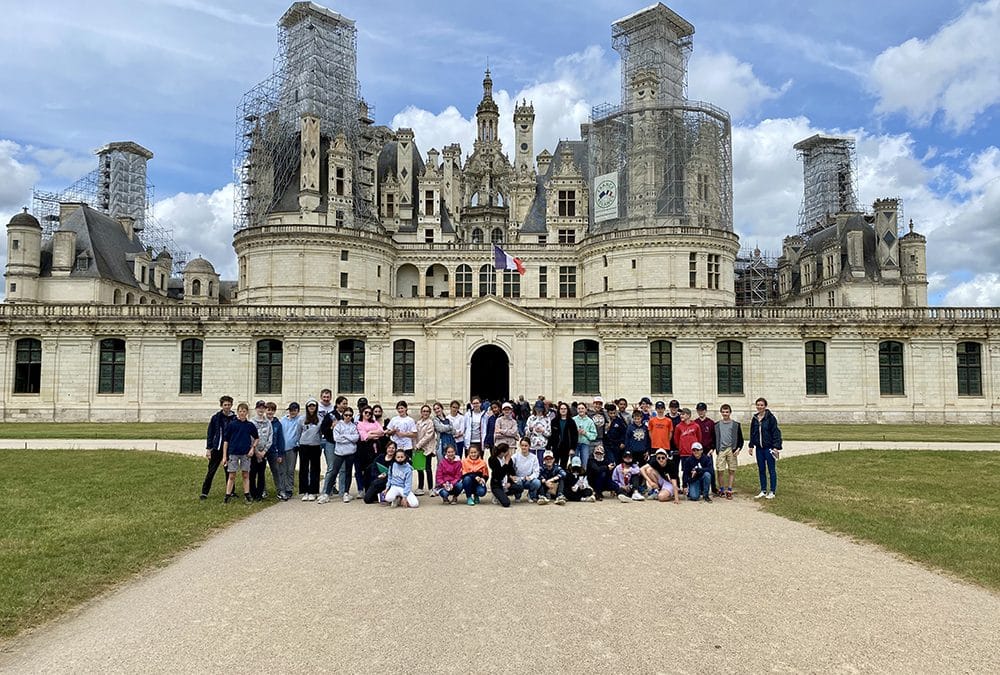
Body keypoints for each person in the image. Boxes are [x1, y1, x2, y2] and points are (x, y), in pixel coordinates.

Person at [319, 407, 359, 504]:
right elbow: (336, 438)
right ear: (343, 415)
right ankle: (327, 493)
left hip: (350, 452)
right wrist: (349, 438)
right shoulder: (338, 425)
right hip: (339, 452)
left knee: (348, 472)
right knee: (334, 472)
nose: (348, 417)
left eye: (350, 415)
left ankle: (346, 492)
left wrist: (344, 436)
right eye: (346, 415)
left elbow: (356, 438)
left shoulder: (353, 426)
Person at [222, 402, 259, 504]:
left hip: (245, 453)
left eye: (244, 411)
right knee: (231, 475)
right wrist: (224, 456)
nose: (242, 413)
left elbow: (256, 438)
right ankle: (228, 495)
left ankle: (247, 494)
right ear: (237, 412)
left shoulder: (250, 425)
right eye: (240, 411)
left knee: (245, 474)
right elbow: (226, 441)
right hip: (233, 452)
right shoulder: (232, 424)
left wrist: (252, 448)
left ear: (247, 412)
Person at [201, 395, 235, 500]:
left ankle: (231, 492)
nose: (227, 407)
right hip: (217, 447)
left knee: (229, 471)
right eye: (225, 405)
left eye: (229, 405)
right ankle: (204, 492)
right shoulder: (216, 418)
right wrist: (209, 448)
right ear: (221, 405)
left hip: (229, 448)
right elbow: (210, 433)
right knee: (211, 471)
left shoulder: (234, 418)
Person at [749, 397, 782, 499]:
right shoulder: (755, 418)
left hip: (769, 447)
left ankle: (772, 491)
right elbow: (752, 433)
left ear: (765, 406)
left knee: (771, 469)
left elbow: (776, 433)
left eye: (761, 405)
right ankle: (763, 490)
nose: (760, 407)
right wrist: (751, 445)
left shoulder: (771, 418)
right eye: (758, 405)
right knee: (761, 469)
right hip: (759, 448)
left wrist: (776, 447)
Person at [714, 404, 744, 500]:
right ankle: (722, 489)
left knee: (731, 470)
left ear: (730, 412)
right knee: (720, 470)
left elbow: (741, 439)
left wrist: (738, 449)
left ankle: (729, 489)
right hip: (721, 450)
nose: (725, 414)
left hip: (732, 449)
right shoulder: (717, 425)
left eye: (727, 412)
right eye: (723, 412)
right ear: (721, 412)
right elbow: (714, 438)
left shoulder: (736, 425)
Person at [297, 399, 323, 501]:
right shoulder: (301, 419)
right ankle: (305, 491)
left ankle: (313, 491)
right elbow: (298, 432)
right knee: (303, 468)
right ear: (307, 407)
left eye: (313, 406)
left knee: (315, 468)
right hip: (304, 445)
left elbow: (321, 432)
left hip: (315, 445)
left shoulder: (320, 419)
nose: (312, 408)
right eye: (310, 406)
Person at [276, 402, 301, 501]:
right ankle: (282, 488)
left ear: (298, 411)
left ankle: (289, 489)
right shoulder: (283, 420)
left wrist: (298, 444)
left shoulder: (299, 420)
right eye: (291, 410)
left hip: (292, 448)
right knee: (282, 470)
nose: (292, 412)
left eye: (294, 410)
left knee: (290, 470)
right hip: (282, 448)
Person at [249, 400, 273, 501]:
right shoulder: (251, 422)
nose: (261, 409)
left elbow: (270, 437)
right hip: (254, 452)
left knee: (261, 474)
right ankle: (252, 493)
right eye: (259, 407)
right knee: (252, 473)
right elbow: (250, 437)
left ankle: (260, 494)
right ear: (256, 408)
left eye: (263, 408)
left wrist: (264, 451)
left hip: (263, 452)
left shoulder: (268, 423)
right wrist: (256, 451)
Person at [672, 407, 702, 489]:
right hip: (684, 453)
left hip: (693, 453)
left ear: (688, 415)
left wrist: (696, 450)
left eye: (683, 414)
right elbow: (676, 439)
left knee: (694, 470)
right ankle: (685, 486)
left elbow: (699, 438)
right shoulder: (678, 426)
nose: (681, 415)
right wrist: (681, 448)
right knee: (685, 471)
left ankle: (695, 487)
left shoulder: (696, 426)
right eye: (681, 414)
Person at [355, 407, 382, 495]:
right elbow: (364, 437)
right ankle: (364, 489)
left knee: (373, 468)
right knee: (364, 469)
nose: (368, 414)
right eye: (366, 412)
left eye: (370, 413)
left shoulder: (374, 422)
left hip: (375, 448)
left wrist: (370, 433)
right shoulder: (359, 423)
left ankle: (373, 488)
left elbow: (381, 432)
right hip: (364, 448)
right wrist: (373, 434)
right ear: (362, 413)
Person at [695, 402, 719, 495]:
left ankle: (713, 487)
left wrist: (712, 448)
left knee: (710, 469)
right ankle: (701, 488)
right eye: (699, 410)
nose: (701, 412)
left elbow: (714, 437)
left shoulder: (711, 423)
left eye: (703, 410)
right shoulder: (695, 423)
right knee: (699, 469)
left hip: (708, 450)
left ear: (706, 411)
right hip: (698, 450)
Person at [414, 404, 437, 496]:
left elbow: (428, 436)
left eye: (427, 411)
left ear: (430, 413)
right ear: (421, 412)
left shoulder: (430, 423)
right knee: (419, 468)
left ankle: (431, 488)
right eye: (424, 411)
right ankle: (420, 487)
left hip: (427, 448)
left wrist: (418, 445)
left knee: (428, 468)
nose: (425, 413)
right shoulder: (418, 422)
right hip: (419, 448)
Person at [548, 402, 578, 469]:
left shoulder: (571, 422)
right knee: (554, 464)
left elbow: (574, 436)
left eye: (565, 409)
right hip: (556, 446)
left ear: (567, 410)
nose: (563, 410)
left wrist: (572, 448)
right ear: (559, 410)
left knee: (563, 465)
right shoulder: (554, 421)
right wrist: (548, 446)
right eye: (561, 409)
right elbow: (551, 435)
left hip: (566, 447)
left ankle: (562, 478)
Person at [510, 438, 541, 503]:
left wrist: (530, 477)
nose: (524, 447)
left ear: (529, 446)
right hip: (518, 479)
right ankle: (517, 496)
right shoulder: (515, 457)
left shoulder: (534, 457)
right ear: (520, 446)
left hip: (528, 479)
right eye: (522, 445)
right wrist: (513, 477)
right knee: (517, 482)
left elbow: (536, 471)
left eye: (526, 446)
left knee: (537, 482)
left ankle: (531, 495)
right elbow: (510, 469)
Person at [264, 402, 285, 499]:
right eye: (268, 409)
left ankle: (280, 491)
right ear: (265, 410)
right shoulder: (262, 422)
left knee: (276, 471)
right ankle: (262, 490)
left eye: (272, 410)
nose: (270, 412)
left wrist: (280, 454)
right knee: (261, 472)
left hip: (273, 451)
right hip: (262, 451)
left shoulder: (277, 424)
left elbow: (280, 439)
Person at [488, 442, 516, 507]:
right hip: (497, 484)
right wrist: (506, 463)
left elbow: (512, 472)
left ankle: (502, 495)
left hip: (506, 483)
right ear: (503, 452)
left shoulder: (509, 459)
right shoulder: (492, 459)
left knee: (519, 487)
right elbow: (498, 474)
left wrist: (510, 482)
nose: (509, 453)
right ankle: (497, 495)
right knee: (506, 503)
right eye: (507, 451)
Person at [572, 402, 597, 469]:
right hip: (575, 444)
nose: (581, 410)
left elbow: (594, 435)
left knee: (584, 462)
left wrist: (585, 433)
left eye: (582, 408)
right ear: (577, 410)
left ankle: (583, 477)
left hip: (585, 444)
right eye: (579, 408)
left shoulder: (590, 421)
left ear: (586, 410)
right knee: (574, 462)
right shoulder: (573, 420)